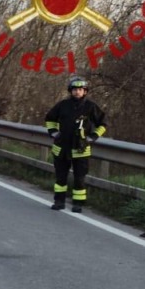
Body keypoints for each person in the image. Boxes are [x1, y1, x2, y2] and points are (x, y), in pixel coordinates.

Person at [44, 75, 106, 213]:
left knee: (79, 178)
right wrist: (53, 132)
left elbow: (102, 123)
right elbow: (50, 118)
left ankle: (78, 204)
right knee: (61, 177)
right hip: (61, 147)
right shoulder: (62, 105)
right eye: (74, 89)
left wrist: (93, 136)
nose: (77, 92)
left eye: (80, 89)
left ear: (85, 91)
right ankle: (59, 201)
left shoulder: (91, 107)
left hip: (81, 148)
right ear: (70, 91)